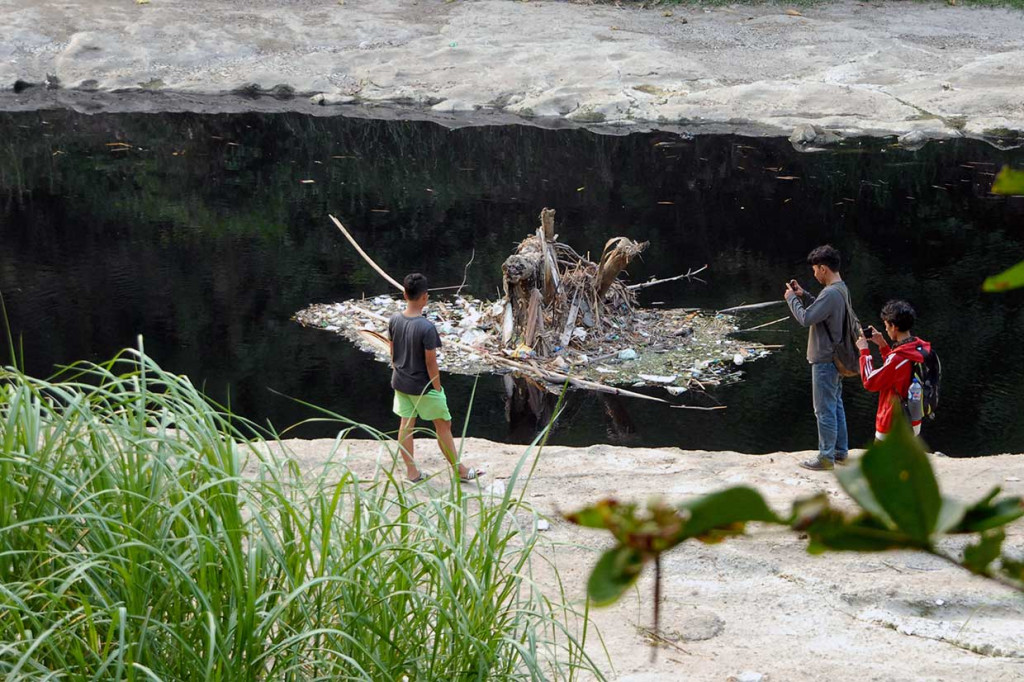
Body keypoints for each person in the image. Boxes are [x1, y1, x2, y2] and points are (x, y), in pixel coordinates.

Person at [389, 272, 484, 483]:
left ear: (404, 294)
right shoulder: (426, 327)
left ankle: (412, 472)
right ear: (425, 297)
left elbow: (392, 351)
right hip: (423, 386)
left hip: (400, 381)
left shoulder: (394, 320)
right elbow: (431, 362)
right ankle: (459, 470)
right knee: (444, 425)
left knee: (406, 425)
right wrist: (437, 387)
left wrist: (398, 369)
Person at [784, 245, 852, 471]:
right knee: (836, 405)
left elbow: (806, 318)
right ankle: (840, 452)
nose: (814, 274)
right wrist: (805, 295)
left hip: (824, 360)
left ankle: (826, 457)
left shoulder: (831, 293)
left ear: (823, 269)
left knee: (824, 410)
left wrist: (792, 299)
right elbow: (824, 311)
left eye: (815, 270)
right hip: (836, 359)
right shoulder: (841, 289)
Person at [857, 299, 930, 440]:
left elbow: (870, 381)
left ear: (894, 326)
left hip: (892, 424)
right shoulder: (919, 347)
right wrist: (883, 345)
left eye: (886, 326)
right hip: (913, 418)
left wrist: (864, 351)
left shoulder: (897, 359)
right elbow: (896, 372)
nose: (885, 329)